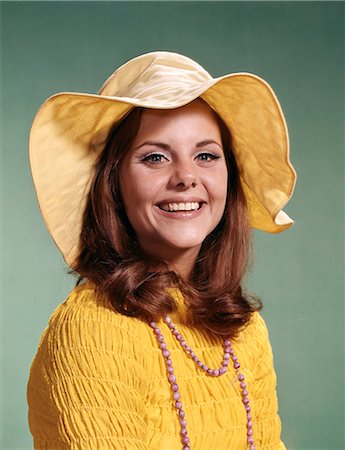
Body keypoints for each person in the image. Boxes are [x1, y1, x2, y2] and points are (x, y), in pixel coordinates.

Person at [27, 51, 296, 450]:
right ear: (114, 184)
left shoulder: (242, 329)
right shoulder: (92, 329)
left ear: (230, 178)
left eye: (206, 155)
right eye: (155, 157)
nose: (186, 177)